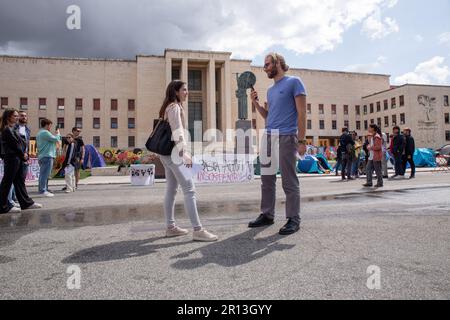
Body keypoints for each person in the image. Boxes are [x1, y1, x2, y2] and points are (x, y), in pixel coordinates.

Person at [248, 52, 307, 235]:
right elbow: (268, 116)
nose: (265, 68)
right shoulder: (270, 90)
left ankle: (293, 219)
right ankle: (267, 214)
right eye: (264, 65)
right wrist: (256, 103)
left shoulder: (294, 82)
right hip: (269, 135)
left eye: (267, 64)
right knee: (266, 179)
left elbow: (302, 113)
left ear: (277, 63)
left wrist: (302, 140)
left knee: (289, 179)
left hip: (287, 136)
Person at [157, 80, 218, 242]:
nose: (187, 92)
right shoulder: (174, 107)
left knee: (171, 189)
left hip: (166, 154)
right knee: (189, 190)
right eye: (184, 89)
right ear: (176, 92)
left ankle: (170, 227)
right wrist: (185, 154)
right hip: (175, 154)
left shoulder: (168, 107)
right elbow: (178, 132)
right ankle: (198, 230)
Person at [0, 109, 42, 214]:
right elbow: (15, 144)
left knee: (19, 181)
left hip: (17, 158)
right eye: (15, 116)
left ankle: (26, 203)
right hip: (12, 158)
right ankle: (3, 206)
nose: (17, 117)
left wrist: (24, 152)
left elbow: (21, 141)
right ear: (8, 117)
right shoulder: (6, 129)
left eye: (17, 116)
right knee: (7, 182)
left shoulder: (12, 128)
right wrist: (22, 153)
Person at [36, 118, 61, 197]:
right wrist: (57, 133)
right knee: (44, 174)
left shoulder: (40, 133)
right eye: (50, 125)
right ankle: (43, 190)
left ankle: (45, 189)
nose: (51, 127)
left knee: (45, 174)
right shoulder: (45, 132)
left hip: (43, 155)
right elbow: (56, 139)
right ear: (47, 125)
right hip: (47, 155)